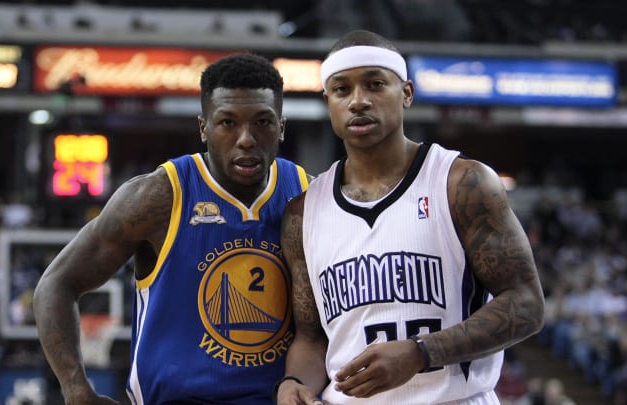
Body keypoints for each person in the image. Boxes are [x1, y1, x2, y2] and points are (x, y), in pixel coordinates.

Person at [275, 30, 545, 405]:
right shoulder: (302, 213)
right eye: (342, 90)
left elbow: (527, 304)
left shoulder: (462, 182)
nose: (358, 101)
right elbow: (311, 338)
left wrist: (421, 352)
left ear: (406, 93)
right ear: (328, 102)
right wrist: (293, 382)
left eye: (375, 84)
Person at [33, 52, 310, 405]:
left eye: (262, 122)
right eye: (228, 123)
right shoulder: (157, 197)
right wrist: (75, 390)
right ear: (203, 128)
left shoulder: (309, 196)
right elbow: (55, 284)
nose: (246, 139)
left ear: (281, 127)